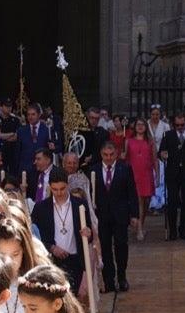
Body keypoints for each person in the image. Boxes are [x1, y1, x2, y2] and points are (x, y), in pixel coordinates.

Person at [33, 169, 95, 293]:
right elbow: (34, 236)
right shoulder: (41, 208)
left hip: (75, 260)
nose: (59, 193)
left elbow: (89, 235)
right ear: (50, 186)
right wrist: (52, 247)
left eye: (62, 188)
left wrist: (88, 234)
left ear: (67, 185)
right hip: (51, 261)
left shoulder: (79, 205)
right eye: (55, 189)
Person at [92, 142, 138, 292]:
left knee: (121, 245)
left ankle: (122, 276)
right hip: (102, 216)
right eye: (105, 155)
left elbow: (132, 192)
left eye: (111, 155)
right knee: (104, 247)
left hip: (120, 214)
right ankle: (108, 280)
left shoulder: (125, 169)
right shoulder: (94, 170)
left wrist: (134, 214)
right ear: (101, 154)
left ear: (116, 154)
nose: (108, 158)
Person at [123, 118, 157, 241]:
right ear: (135, 127)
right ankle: (139, 229)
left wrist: (157, 176)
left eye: (143, 124)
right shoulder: (129, 141)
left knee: (146, 201)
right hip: (133, 174)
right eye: (138, 124)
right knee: (139, 201)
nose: (140, 127)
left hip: (146, 175)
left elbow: (155, 160)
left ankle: (141, 223)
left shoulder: (150, 142)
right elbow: (125, 156)